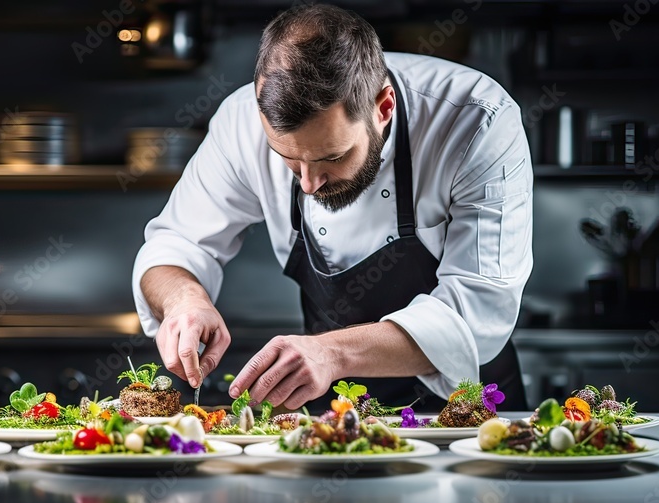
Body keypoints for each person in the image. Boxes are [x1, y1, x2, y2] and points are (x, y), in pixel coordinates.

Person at [131, 3, 533, 413]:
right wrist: (184, 300)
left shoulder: (476, 119)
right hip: (335, 416)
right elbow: (176, 244)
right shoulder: (240, 122)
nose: (308, 183)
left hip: (469, 415)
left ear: (383, 108)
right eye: (287, 158)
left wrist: (331, 353)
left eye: (331, 157)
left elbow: (478, 310)